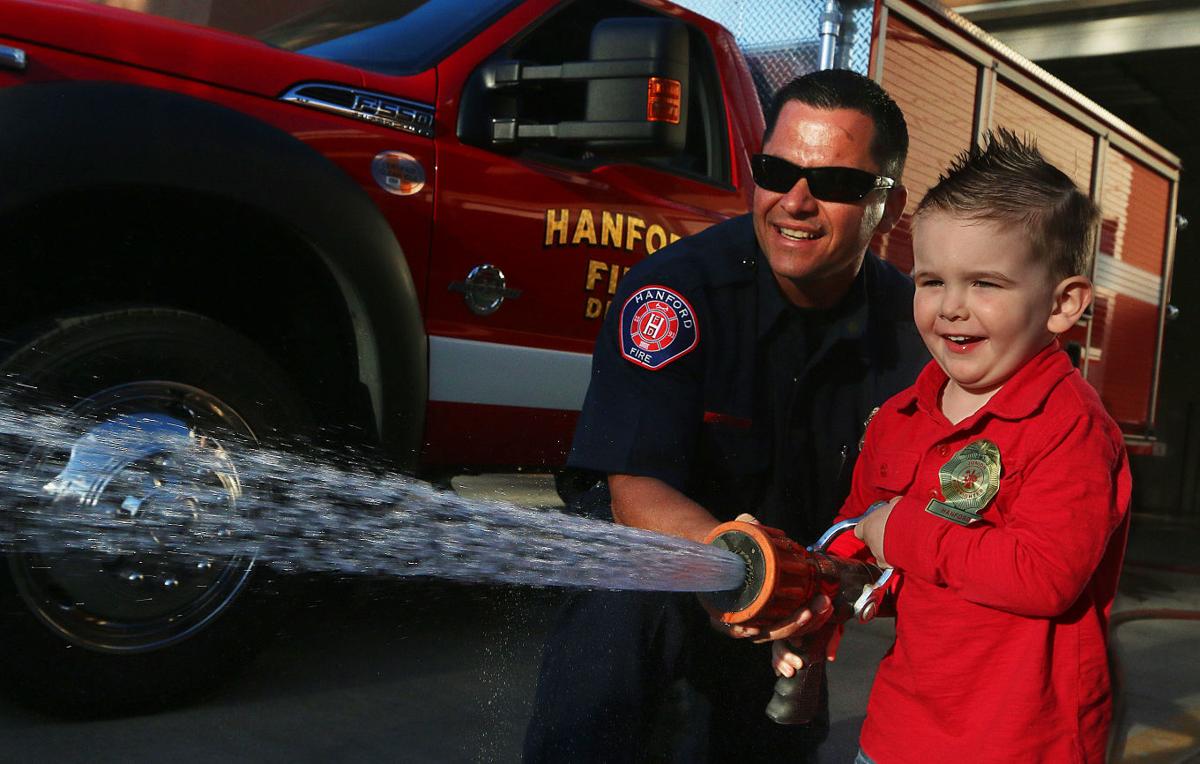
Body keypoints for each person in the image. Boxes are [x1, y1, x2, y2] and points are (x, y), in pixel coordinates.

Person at [523, 69, 929, 763]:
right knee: (618, 615)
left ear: (886, 208)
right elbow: (634, 489)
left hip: (792, 599)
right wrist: (736, 563)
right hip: (657, 570)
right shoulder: (674, 293)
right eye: (776, 170)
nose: (795, 202)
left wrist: (831, 583)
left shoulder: (916, 334)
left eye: (833, 184)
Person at [772, 130, 1131, 763]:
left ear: (1062, 304)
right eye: (931, 280)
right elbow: (861, 533)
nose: (951, 308)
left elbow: (1044, 576)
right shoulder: (900, 418)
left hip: (1022, 744)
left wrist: (902, 532)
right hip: (898, 731)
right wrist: (814, 587)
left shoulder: (1070, 427)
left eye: (986, 283)